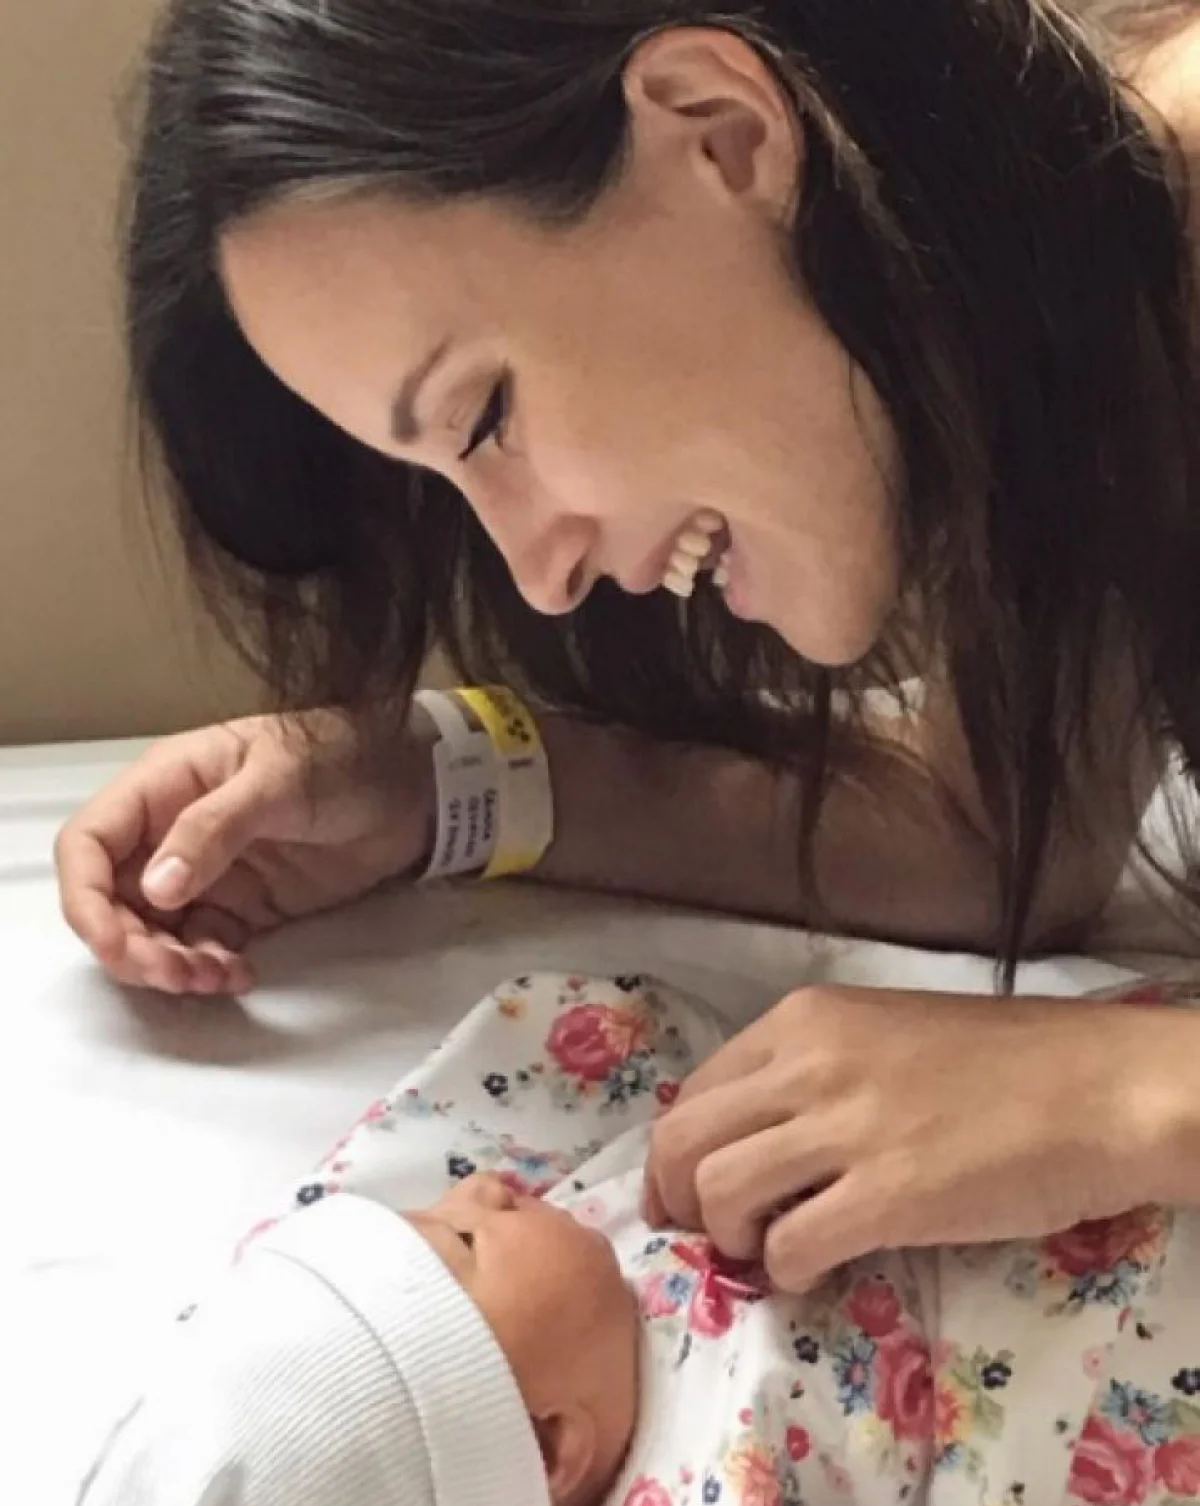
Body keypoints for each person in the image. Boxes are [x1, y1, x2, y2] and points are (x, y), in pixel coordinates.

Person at [55, 0, 1200, 1289]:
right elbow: (991, 841)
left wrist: (1127, 1091)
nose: (544, 578)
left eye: (487, 418)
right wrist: (445, 781)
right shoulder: (1081, 339)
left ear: (721, 133)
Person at [66, 976, 1200, 1506]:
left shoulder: (608, 1226)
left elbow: (598, 1047)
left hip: (1050, 1135)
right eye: (462, 1244)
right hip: (1100, 1399)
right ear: (547, 1449)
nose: (481, 1192)